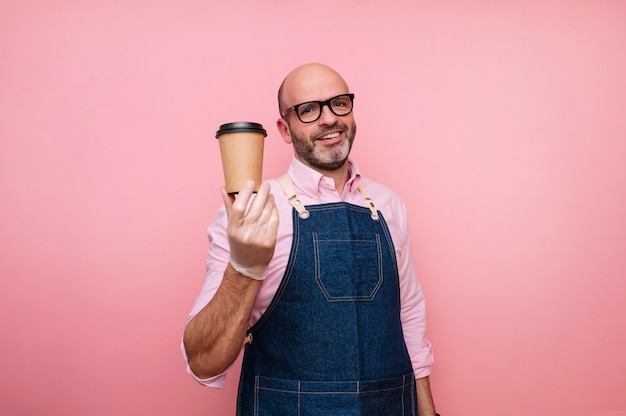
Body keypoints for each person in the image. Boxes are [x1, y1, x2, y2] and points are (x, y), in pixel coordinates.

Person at [182, 63, 438, 415]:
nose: (329, 118)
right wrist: (245, 266)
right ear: (284, 130)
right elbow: (203, 362)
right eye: (309, 109)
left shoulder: (388, 204)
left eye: (339, 103)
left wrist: (428, 411)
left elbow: (408, 317)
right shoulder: (253, 213)